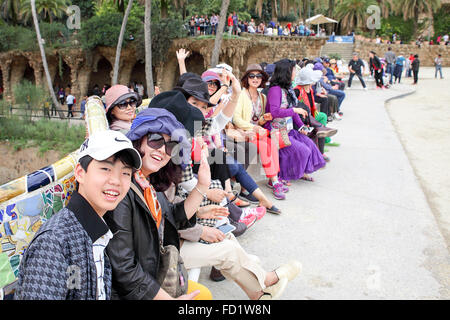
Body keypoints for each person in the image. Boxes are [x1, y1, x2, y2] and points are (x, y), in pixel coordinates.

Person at [15, 130, 142, 300]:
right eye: (105, 168)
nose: (116, 181)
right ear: (80, 173)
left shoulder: (97, 230)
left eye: (125, 173)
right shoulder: (54, 242)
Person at [104, 108, 212, 300]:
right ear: (138, 140)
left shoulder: (147, 183)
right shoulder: (121, 190)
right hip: (132, 293)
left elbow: (174, 217)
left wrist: (203, 185)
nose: (162, 150)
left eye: (170, 146)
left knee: (205, 295)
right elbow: (123, 269)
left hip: (154, 278)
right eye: (155, 139)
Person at [231, 64, 284, 209]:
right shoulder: (241, 95)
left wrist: (264, 119)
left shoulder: (263, 97)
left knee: (271, 144)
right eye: (251, 76)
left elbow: (258, 119)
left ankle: (274, 180)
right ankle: (275, 182)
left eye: (258, 76)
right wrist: (254, 127)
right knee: (263, 146)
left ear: (262, 79)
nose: (255, 79)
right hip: (245, 131)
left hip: (257, 130)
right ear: (246, 78)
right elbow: (236, 119)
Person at [265, 59, 326, 183]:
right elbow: (275, 112)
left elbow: (292, 111)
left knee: (310, 145)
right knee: (302, 150)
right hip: (276, 131)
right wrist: (295, 110)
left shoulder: (288, 89)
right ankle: (281, 176)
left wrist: (301, 127)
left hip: (287, 129)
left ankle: (301, 171)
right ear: (286, 72)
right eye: (293, 70)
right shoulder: (275, 90)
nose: (295, 72)